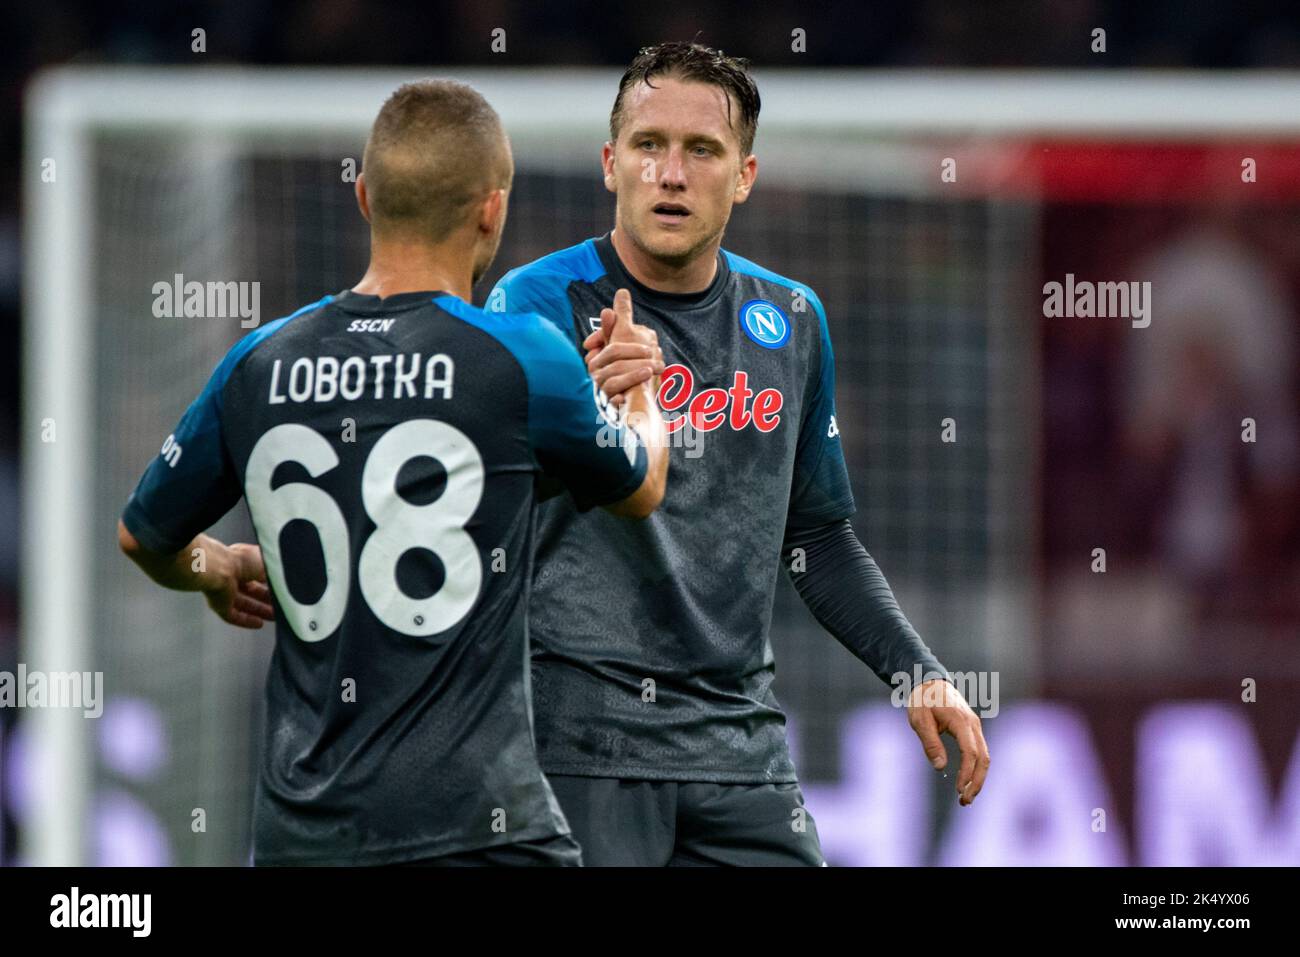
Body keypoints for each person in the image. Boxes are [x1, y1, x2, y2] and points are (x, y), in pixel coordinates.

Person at [117, 79, 668, 866]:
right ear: (492, 210)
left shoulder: (259, 362)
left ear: (365, 196)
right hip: (478, 831)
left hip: (303, 838)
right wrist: (641, 395)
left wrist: (220, 566)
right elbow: (641, 487)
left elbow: (142, 536)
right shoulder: (521, 358)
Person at [491, 42, 989, 866]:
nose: (671, 173)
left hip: (740, 756)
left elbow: (818, 539)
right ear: (611, 165)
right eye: (649, 146)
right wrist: (581, 415)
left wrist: (918, 669)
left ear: (745, 175)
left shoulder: (791, 319)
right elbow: (487, 514)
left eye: (702, 150)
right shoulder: (537, 303)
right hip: (575, 751)